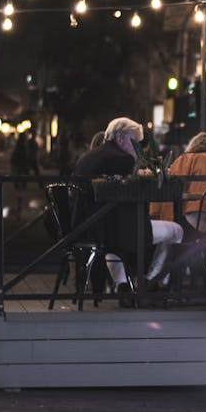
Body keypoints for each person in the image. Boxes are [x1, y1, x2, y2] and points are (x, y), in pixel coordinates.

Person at [71, 117, 183, 299]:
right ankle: (153, 281)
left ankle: (123, 285)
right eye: (135, 143)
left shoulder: (89, 157)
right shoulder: (121, 159)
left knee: (112, 243)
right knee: (176, 230)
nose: (137, 149)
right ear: (122, 139)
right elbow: (135, 192)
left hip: (88, 226)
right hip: (116, 227)